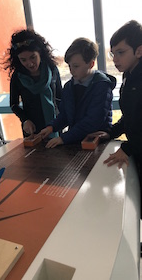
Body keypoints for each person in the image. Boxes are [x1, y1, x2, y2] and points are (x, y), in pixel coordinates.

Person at [89, 20, 142, 207]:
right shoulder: (128, 75)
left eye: (121, 52)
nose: (115, 59)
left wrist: (127, 148)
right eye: (113, 53)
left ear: (139, 51)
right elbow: (131, 116)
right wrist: (111, 133)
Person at [40, 37, 116, 148]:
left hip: (97, 142)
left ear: (91, 64)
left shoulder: (102, 86)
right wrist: (51, 127)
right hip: (75, 140)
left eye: (76, 66)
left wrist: (63, 138)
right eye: (69, 66)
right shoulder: (69, 87)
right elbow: (65, 115)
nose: (71, 70)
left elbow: (92, 121)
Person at [3, 28, 62, 138]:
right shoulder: (17, 77)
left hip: (55, 126)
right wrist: (25, 120)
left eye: (33, 57)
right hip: (32, 128)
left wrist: (62, 121)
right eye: (23, 60)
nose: (30, 63)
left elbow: (60, 98)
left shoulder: (52, 70)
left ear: (40, 53)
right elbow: (13, 104)